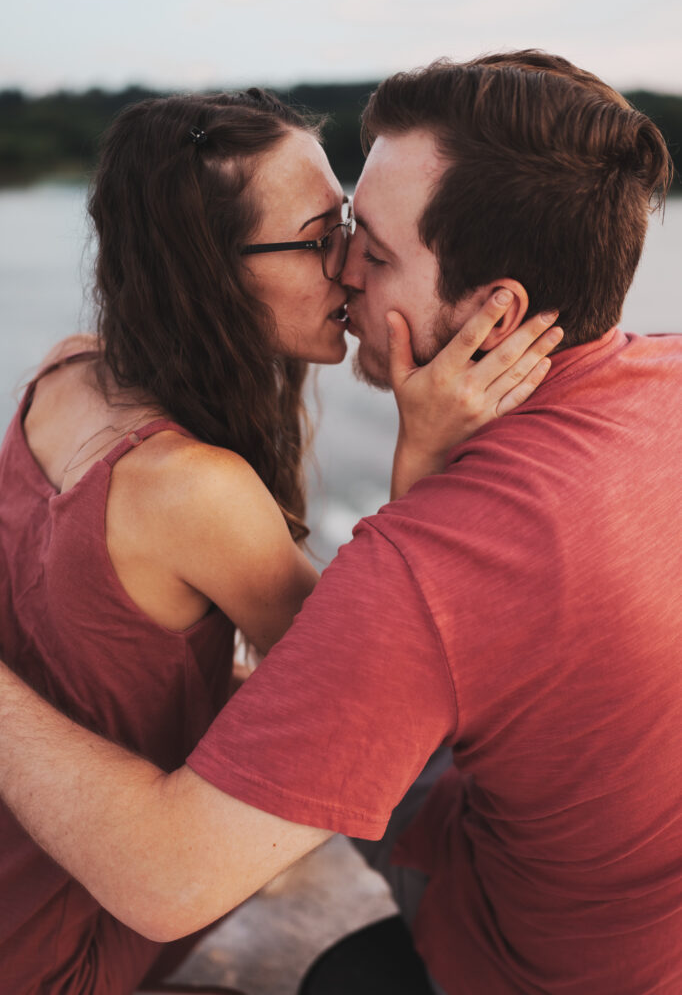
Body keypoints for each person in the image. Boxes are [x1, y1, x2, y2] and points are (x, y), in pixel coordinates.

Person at [1, 49, 679, 995]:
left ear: (497, 310)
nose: (349, 270)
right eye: (333, 231)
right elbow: (348, 647)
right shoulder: (667, 372)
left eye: (369, 242)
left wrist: (421, 487)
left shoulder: (72, 374)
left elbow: (363, 650)